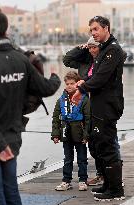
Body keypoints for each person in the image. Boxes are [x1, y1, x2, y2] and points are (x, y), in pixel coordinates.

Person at [0, 11, 61, 205]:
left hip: (1, 141)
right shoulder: (20, 59)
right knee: (11, 189)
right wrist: (55, 77)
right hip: (13, 137)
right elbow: (46, 88)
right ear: (6, 29)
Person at [72, 16, 125, 201]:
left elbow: (102, 77)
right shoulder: (104, 49)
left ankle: (116, 190)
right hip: (100, 104)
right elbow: (94, 75)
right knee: (101, 143)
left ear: (106, 28)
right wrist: (84, 81)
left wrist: (81, 89)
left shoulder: (113, 50)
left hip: (108, 105)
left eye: (96, 29)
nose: (93, 33)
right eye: (91, 30)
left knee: (108, 145)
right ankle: (109, 184)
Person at [63, 37, 104, 186]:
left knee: (106, 142)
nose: (93, 50)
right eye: (90, 47)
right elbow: (66, 60)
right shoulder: (84, 60)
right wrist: (80, 48)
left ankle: (111, 175)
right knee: (92, 143)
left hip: (101, 105)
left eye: (95, 47)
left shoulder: (105, 60)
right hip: (85, 104)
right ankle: (101, 174)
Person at [51, 71, 91, 191]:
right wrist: (55, 134)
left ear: (77, 84)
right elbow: (56, 118)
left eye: (72, 83)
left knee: (82, 159)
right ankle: (66, 181)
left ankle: (83, 180)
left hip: (80, 133)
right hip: (65, 133)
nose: (69, 86)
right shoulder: (60, 100)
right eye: (67, 83)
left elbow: (88, 119)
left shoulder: (84, 99)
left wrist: (86, 135)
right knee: (67, 158)